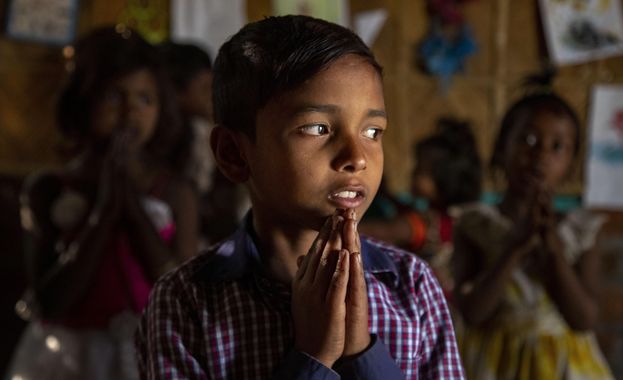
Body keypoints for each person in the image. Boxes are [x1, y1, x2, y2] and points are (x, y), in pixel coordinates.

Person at [136, 15, 464, 379]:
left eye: (372, 131)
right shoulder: (186, 302)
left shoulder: (412, 287)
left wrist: (360, 352)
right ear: (234, 153)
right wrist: (313, 357)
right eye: (317, 128)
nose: (356, 157)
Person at [7, 25, 198, 380]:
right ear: (83, 103)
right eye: (114, 97)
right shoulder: (48, 188)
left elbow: (178, 288)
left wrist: (126, 199)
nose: (130, 112)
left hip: (149, 353)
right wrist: (103, 212)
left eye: (145, 99)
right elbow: (51, 302)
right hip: (64, 356)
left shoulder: (174, 190)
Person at [452, 77, 614, 379]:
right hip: (492, 364)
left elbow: (583, 319)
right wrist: (513, 249)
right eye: (528, 141)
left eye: (557, 147)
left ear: (571, 164)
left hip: (563, 366)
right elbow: (472, 312)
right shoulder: (475, 225)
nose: (541, 155)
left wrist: (553, 250)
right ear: (502, 148)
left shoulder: (579, 232)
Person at [360, 117, 482, 294]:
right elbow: (408, 211)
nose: (413, 173)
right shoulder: (456, 218)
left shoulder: (425, 225)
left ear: (444, 180)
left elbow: (383, 231)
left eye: (421, 169)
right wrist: (386, 195)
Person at [158, 42, 249, 247]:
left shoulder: (211, 131)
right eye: (204, 88)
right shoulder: (192, 133)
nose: (211, 97)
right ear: (175, 92)